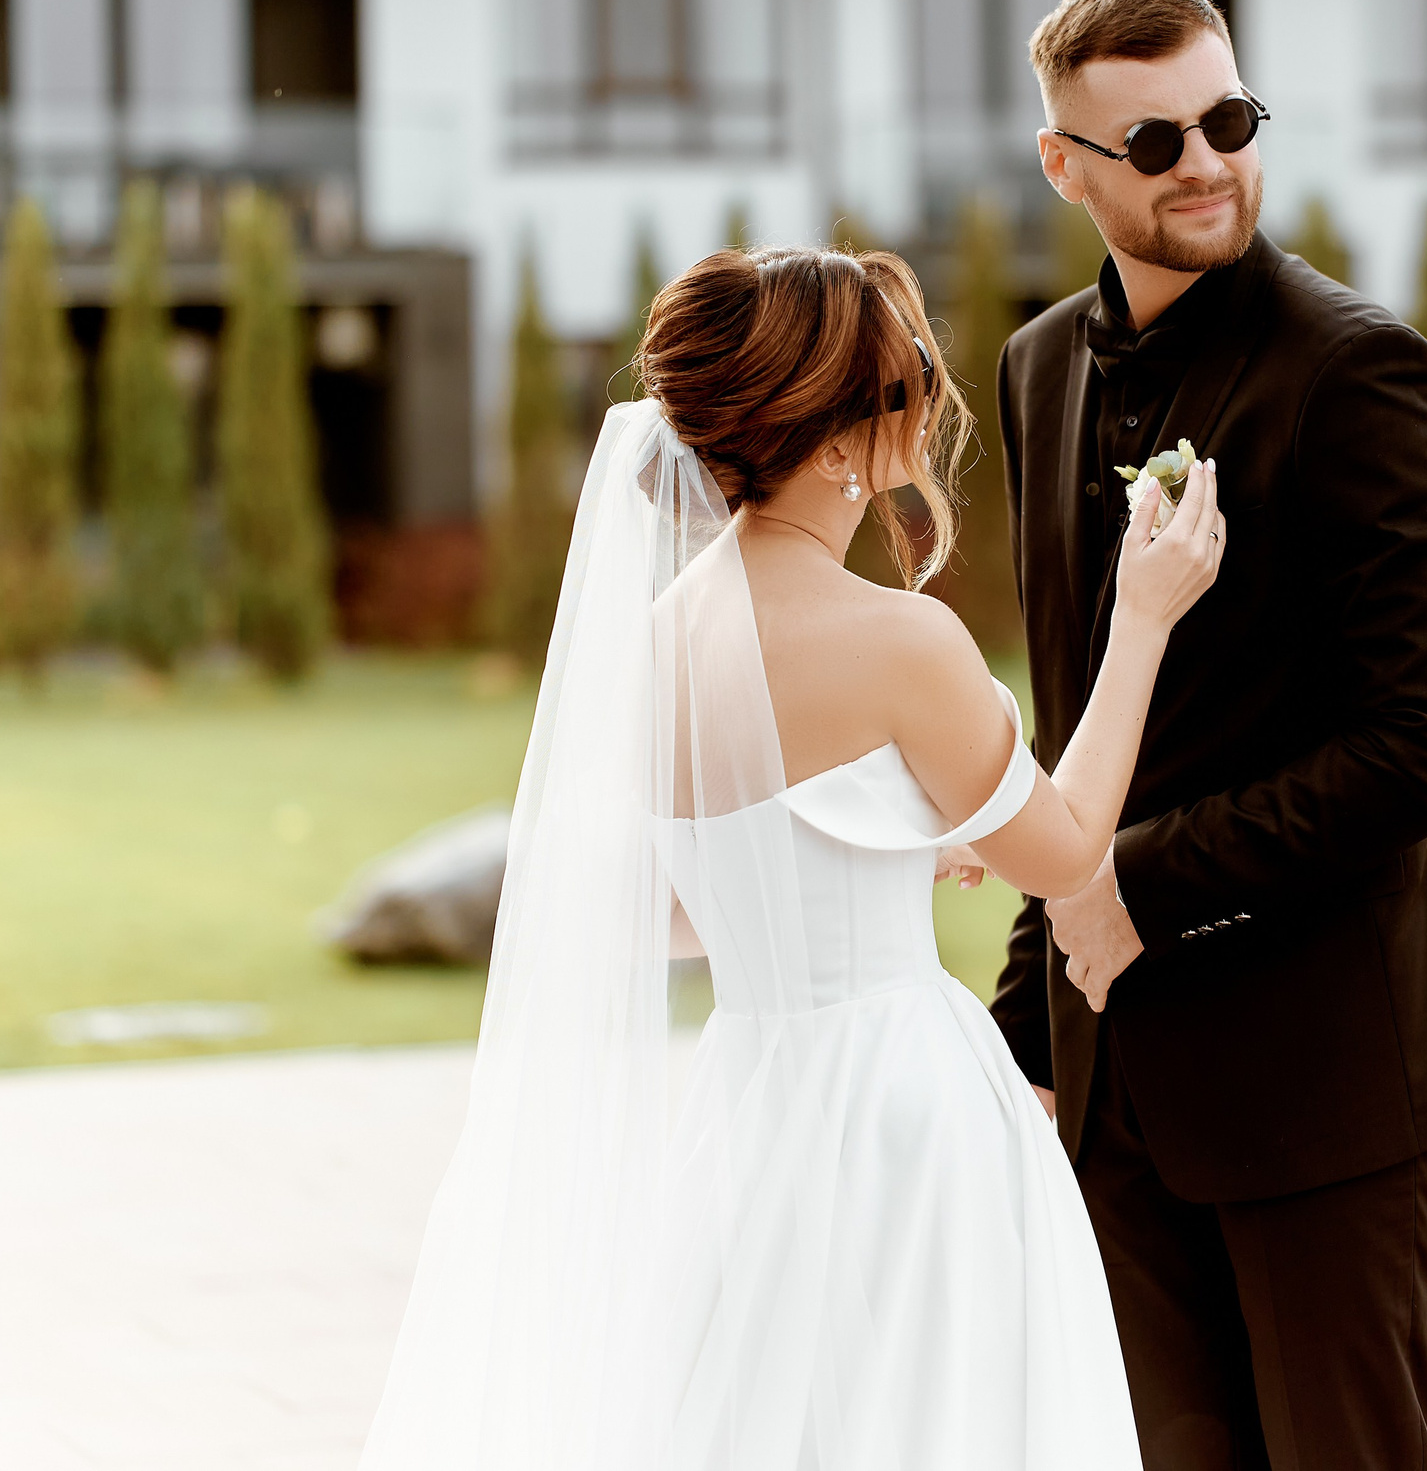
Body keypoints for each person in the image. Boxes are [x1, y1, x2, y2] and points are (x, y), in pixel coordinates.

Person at [359, 245, 1226, 1470]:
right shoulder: (901, 640)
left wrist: (876, 848)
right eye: (905, 381)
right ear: (832, 441)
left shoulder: (653, 642)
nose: (923, 405)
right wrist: (1142, 617)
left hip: (750, 1102)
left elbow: (669, 907)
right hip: (899, 1106)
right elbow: (1068, 851)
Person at [989, 0, 1427, 1471]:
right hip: (1113, 1081)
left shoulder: (1360, 372)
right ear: (1065, 166)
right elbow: (1077, 711)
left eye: (1225, 119)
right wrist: (1029, 1019)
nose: (1204, 162)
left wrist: (1134, 884)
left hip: (1328, 1076)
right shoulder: (1037, 373)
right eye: (1151, 143)